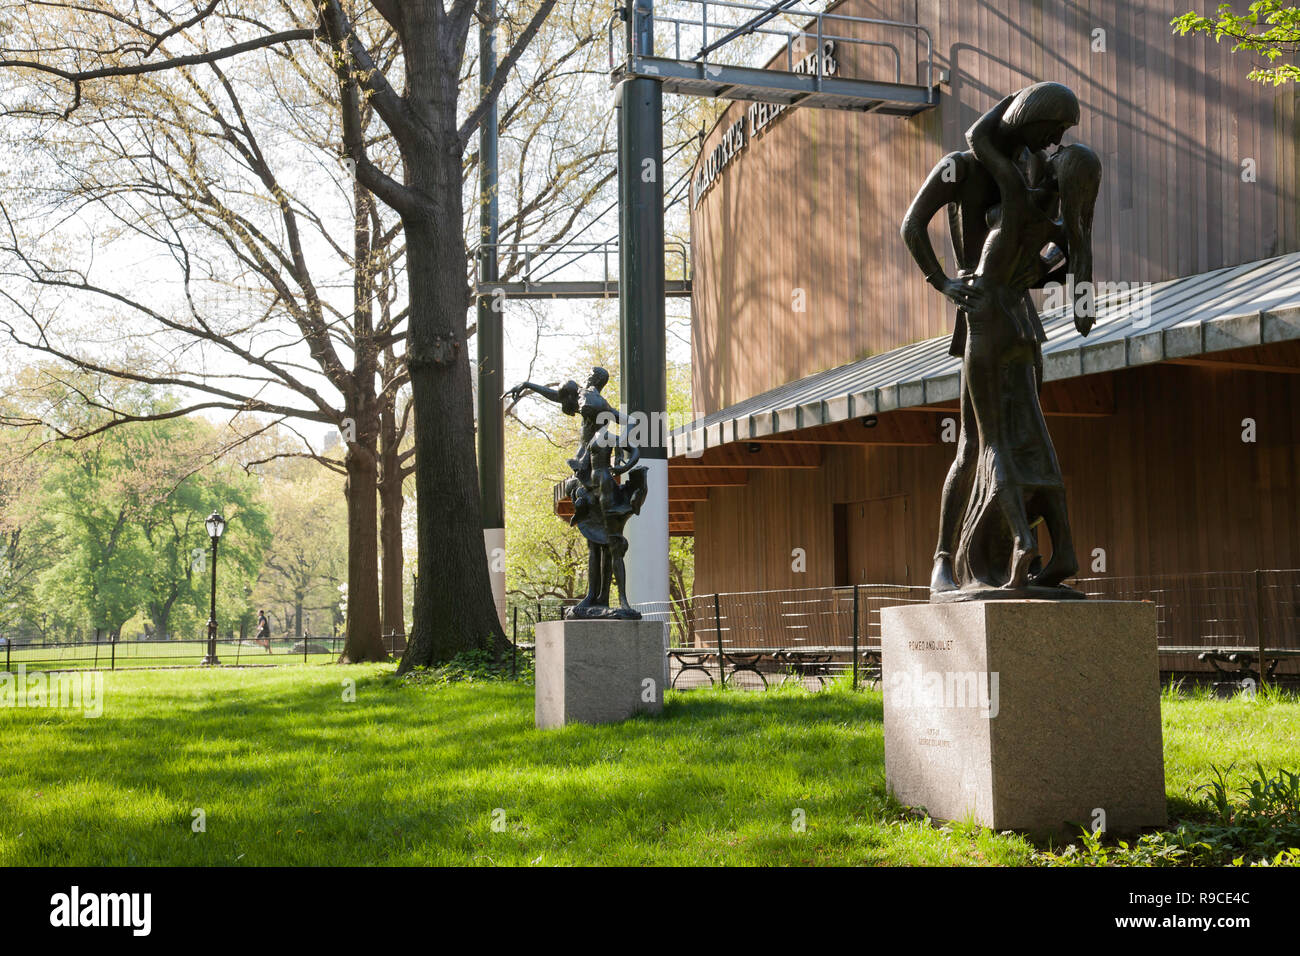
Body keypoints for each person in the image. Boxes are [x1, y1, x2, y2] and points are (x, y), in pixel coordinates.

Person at [901, 81, 1099, 596]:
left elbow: (1032, 261)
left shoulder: (1027, 177)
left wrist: (1040, 271)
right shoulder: (962, 168)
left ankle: (991, 552)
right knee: (993, 441)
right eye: (1054, 127)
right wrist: (942, 281)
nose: (1056, 139)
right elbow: (912, 226)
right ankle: (954, 559)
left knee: (990, 441)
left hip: (1004, 315)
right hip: (992, 315)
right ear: (1030, 119)